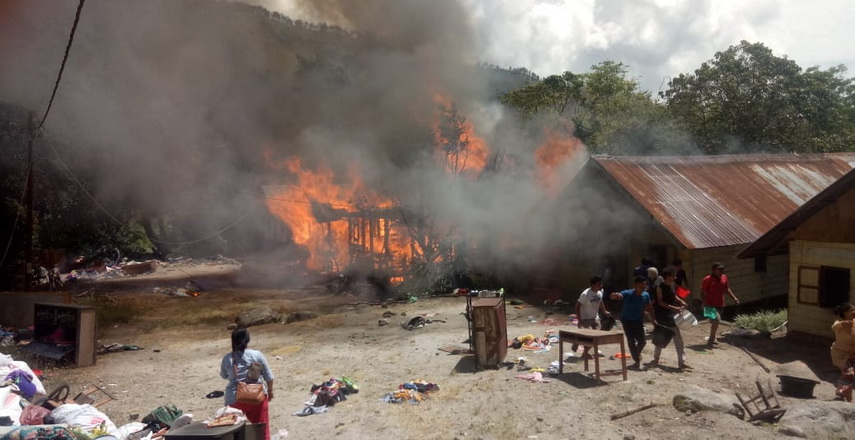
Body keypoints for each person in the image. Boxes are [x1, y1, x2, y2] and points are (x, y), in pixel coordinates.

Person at [220, 328, 275, 440]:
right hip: (257, 396)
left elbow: (224, 375)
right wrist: (270, 391)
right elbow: (269, 377)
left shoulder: (227, 358)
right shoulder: (257, 355)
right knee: (262, 429)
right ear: (248, 340)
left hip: (234, 398)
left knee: (232, 431)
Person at [610, 276, 655, 371]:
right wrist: (615, 295)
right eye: (640, 287)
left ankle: (636, 354)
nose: (642, 289)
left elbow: (649, 307)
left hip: (638, 320)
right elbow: (620, 295)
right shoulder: (628, 293)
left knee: (642, 341)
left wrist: (653, 320)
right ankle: (637, 361)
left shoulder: (646, 295)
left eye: (644, 287)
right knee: (631, 341)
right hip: (626, 320)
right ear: (635, 285)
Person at [650, 268, 690, 369]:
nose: (675, 277)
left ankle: (681, 361)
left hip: (671, 314)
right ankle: (656, 359)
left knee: (676, 338)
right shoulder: (660, 287)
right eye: (673, 275)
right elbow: (660, 302)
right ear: (667, 276)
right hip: (662, 315)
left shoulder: (672, 285)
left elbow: (674, 296)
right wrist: (675, 308)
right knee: (663, 336)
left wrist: (681, 301)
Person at [701, 262, 739, 347]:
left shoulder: (724, 277)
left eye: (723, 269)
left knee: (716, 322)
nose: (722, 271)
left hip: (720, 304)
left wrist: (734, 298)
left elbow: (727, 289)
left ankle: (712, 338)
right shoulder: (707, 279)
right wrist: (704, 302)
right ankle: (711, 339)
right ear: (714, 270)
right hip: (710, 304)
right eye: (720, 269)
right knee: (717, 320)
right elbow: (703, 292)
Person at [572, 276, 611, 358]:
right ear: (593, 285)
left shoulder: (600, 292)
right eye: (598, 284)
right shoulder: (585, 294)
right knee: (588, 336)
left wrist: (604, 311)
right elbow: (577, 306)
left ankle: (585, 352)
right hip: (585, 318)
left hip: (594, 318)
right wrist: (579, 320)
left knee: (596, 337)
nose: (600, 286)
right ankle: (577, 341)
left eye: (601, 284)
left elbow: (600, 301)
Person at [831, 303, 855, 373]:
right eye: (852, 310)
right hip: (841, 355)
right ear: (845, 313)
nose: (854, 312)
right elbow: (834, 327)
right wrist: (842, 324)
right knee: (850, 374)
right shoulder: (839, 323)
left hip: (853, 355)